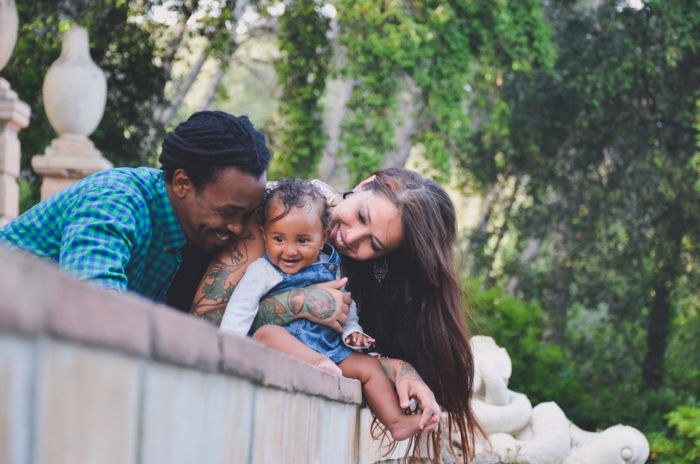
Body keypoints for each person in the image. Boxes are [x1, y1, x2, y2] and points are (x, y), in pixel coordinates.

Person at [193, 168, 480, 461]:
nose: (351, 236)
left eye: (374, 244)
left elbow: (345, 345)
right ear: (365, 183)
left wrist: (398, 368)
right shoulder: (284, 210)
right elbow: (206, 324)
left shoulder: (355, 272)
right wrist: (299, 302)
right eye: (362, 215)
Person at [220, 178, 424, 441]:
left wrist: (353, 330)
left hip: (330, 349)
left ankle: (396, 421)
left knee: (369, 370)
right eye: (279, 239)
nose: (289, 250)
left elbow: (346, 303)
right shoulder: (263, 270)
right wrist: (227, 349)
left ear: (322, 237)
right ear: (264, 234)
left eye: (303, 241)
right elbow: (240, 310)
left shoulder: (330, 265)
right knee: (268, 333)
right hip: (290, 345)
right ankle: (317, 364)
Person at [0, 111, 270, 303]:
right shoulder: (114, 202)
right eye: (226, 212)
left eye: (247, 214)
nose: (237, 226)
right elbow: (93, 305)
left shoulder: (195, 229)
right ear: (182, 184)